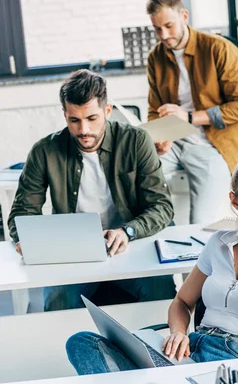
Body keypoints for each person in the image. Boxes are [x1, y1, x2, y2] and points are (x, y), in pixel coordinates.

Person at [66, 152, 238, 374]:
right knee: (82, 343)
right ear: (235, 201)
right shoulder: (219, 242)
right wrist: (178, 333)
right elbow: (182, 302)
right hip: (192, 349)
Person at [8, 69, 177, 311]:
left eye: (92, 118)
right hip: (72, 253)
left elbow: (162, 207)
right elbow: (22, 213)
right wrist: (28, 239)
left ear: (107, 111)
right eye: (74, 120)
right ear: (64, 114)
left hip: (130, 245)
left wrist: (128, 231)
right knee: (58, 303)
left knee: (161, 294)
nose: (83, 129)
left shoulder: (136, 141)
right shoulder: (44, 151)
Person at [145, 0, 238, 227]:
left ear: (184, 16)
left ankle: (197, 260)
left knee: (201, 224)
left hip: (214, 145)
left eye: (168, 26)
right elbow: (154, 109)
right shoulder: (155, 58)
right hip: (176, 141)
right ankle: (162, 232)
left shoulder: (219, 49)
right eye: (157, 29)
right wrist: (161, 136)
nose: (164, 35)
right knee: (134, 174)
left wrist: (188, 117)